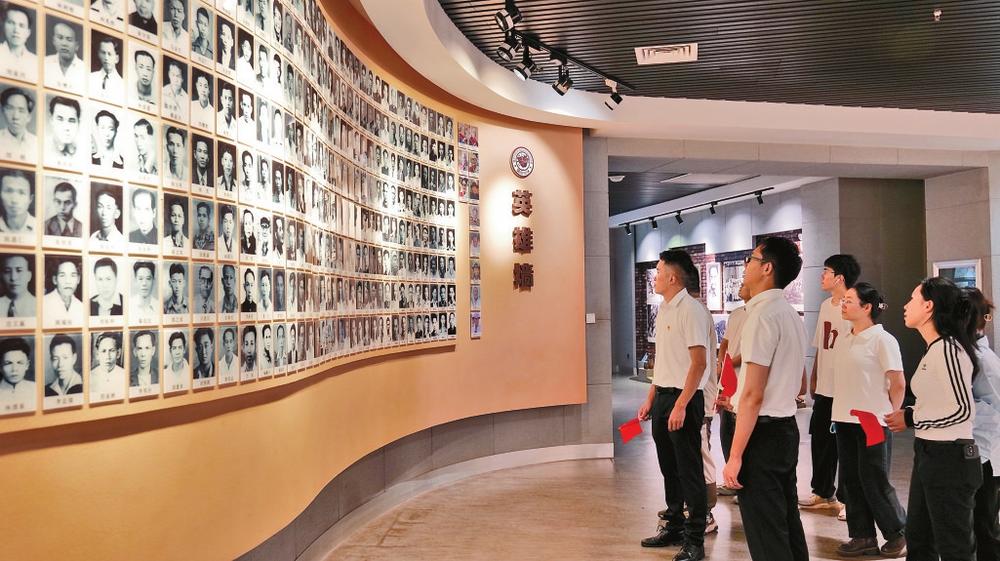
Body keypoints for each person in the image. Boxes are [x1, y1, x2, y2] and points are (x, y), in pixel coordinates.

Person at [721, 237, 809, 561]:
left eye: (752, 259)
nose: (746, 265)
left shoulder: (762, 316)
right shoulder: (789, 314)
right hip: (783, 430)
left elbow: (753, 394)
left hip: (761, 435)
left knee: (766, 533)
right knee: (786, 521)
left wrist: (735, 455)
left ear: (767, 268)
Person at [886, 278, 981, 561]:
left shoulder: (948, 349)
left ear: (928, 307)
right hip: (930, 453)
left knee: (954, 547)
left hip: (949, 458)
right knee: (919, 539)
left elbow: (962, 409)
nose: (905, 306)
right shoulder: (936, 348)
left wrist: (912, 417)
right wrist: (914, 416)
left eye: (912, 299)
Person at [636, 249, 711, 561]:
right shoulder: (665, 309)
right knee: (669, 467)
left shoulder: (691, 310)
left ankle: (695, 539)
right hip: (664, 397)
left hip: (685, 398)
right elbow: (665, 362)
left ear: (672, 277)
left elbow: (699, 363)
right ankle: (674, 524)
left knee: (689, 470)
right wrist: (651, 398)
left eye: (658, 271)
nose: (654, 276)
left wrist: (681, 404)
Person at [830, 282, 907, 557]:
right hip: (844, 418)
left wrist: (893, 414)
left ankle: (899, 533)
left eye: (849, 300)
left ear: (867, 308)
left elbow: (898, 382)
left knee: (874, 479)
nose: (843, 303)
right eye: (844, 300)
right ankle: (862, 536)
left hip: (873, 421)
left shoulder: (883, 340)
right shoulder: (844, 337)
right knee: (850, 480)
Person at [800, 254, 859, 519]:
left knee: (846, 444)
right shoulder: (825, 306)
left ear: (840, 278)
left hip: (846, 388)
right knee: (821, 440)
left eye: (826, 271)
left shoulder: (854, 306)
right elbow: (821, 346)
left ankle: (849, 500)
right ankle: (823, 492)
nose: (821, 276)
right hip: (825, 387)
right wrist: (815, 377)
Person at [964, 287, 1000, 561]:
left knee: (984, 525)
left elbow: (995, 409)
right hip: (978, 452)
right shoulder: (968, 354)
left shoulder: (983, 360)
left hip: (987, 453)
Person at [0, 86, 38, 162]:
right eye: (10, 108)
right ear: (3, 111)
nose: (15, 116)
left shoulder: (36, 142)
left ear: (29, 117)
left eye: (21, 111)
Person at [0, 4, 37, 79]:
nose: (16, 30)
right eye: (11, 23)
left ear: (28, 32)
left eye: (21, 25)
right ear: (3, 25)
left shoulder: (35, 61)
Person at [44, 19, 84, 87]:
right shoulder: (44, 63)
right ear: (54, 41)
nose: (64, 43)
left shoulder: (84, 68)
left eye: (69, 39)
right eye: (60, 38)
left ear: (77, 45)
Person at [43, 256, 83, 322]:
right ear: (55, 280)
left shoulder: (81, 306)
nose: (68, 281)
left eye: (73, 275)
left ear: (78, 279)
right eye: (62, 275)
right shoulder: (44, 303)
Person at [46, 96, 82, 166]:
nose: (66, 127)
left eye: (71, 121)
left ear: (78, 123)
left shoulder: (83, 152)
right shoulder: (40, 148)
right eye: (60, 119)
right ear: (51, 120)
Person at [0, 336, 33, 410]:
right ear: (0, 366)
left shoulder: (36, 388)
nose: (14, 369)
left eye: (19, 363)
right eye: (8, 363)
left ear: (27, 365)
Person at [90, 332, 124, 400]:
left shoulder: (125, 375)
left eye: (111, 351)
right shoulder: (90, 376)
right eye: (103, 351)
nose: (107, 356)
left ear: (118, 353)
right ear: (97, 354)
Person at [90, 36, 124, 102]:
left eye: (109, 54)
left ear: (117, 58)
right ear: (99, 54)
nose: (106, 58)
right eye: (103, 53)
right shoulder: (91, 77)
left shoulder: (122, 85)